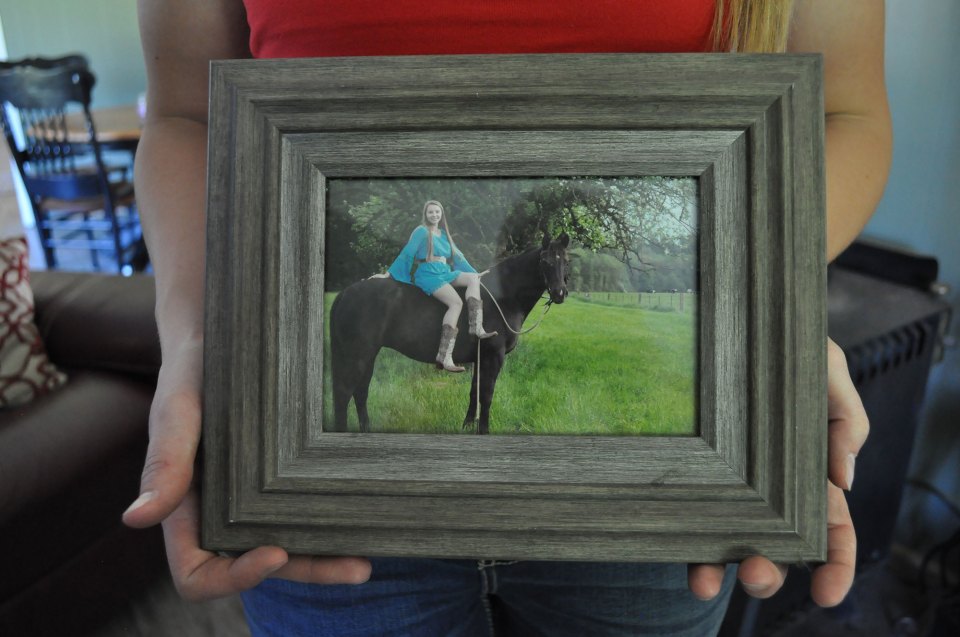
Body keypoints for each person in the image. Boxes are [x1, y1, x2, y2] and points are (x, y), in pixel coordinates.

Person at [125, 1, 888, 635]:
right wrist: (200, 332)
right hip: (319, 505)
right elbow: (188, 114)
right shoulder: (420, 237)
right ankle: (449, 353)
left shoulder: (447, 234)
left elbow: (845, 110)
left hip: (654, 507)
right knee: (456, 303)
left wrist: (768, 296)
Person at [374, 200, 497, 373]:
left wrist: (475, 273)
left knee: (472, 279)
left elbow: (458, 257)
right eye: (431, 212)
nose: (434, 215)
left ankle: (476, 326)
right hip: (428, 274)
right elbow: (407, 253)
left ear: (441, 214)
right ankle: (444, 356)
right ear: (426, 214)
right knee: (456, 303)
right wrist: (389, 274)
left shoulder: (444, 234)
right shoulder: (421, 231)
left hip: (445, 271)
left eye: (437, 212)